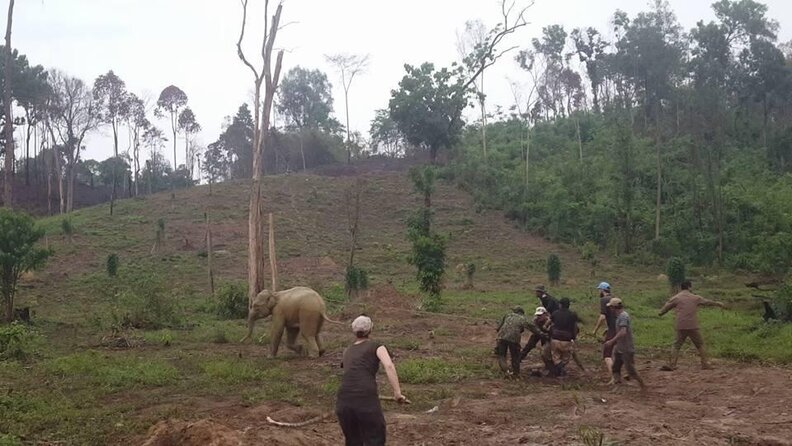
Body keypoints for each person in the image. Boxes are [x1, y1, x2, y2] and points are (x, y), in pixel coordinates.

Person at [336, 315, 409, 446]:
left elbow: (349, 371)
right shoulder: (377, 346)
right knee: (375, 437)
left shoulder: (347, 351)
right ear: (370, 330)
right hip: (365, 398)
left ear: (354, 331)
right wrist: (397, 393)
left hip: (343, 401)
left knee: (353, 441)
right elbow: (389, 365)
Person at [658, 280, 726, 370]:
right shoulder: (695, 297)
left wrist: (661, 313)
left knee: (676, 345)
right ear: (689, 287)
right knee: (700, 344)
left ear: (680, 288)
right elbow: (707, 302)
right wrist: (718, 303)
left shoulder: (676, 297)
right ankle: (705, 364)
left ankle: (672, 365)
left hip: (681, 325)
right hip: (692, 325)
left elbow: (666, 307)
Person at [604, 298, 646, 390]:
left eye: (611, 307)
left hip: (626, 348)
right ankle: (617, 386)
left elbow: (623, 332)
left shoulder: (623, 316)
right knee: (615, 368)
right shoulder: (619, 317)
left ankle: (642, 385)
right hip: (620, 348)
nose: (610, 309)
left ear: (614, 308)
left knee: (631, 370)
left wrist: (611, 341)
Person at [496, 306, 543, 377]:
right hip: (513, 339)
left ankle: (506, 371)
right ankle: (515, 373)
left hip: (501, 337)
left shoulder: (507, 315)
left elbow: (499, 327)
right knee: (515, 356)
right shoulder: (522, 318)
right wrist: (542, 334)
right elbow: (532, 327)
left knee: (502, 356)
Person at [549, 298, 584, 376]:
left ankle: (558, 370)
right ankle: (560, 370)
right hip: (567, 339)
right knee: (565, 358)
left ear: (560, 305)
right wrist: (574, 337)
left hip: (555, 338)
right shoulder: (572, 314)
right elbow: (576, 326)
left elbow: (548, 324)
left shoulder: (555, 313)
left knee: (556, 357)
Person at [591, 282, 617, 381]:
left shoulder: (603, 300)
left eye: (599, 290)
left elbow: (602, 317)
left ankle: (614, 377)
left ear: (602, 290)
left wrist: (595, 330)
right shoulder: (614, 299)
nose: (599, 291)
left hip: (613, 330)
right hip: (619, 328)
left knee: (607, 355)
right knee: (618, 353)